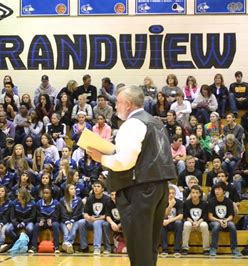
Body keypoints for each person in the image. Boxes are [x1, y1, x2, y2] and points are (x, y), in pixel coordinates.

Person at [87, 85, 176, 266]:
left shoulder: (132, 124)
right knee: (148, 246)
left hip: (139, 189)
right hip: (159, 188)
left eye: (118, 102)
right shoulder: (156, 122)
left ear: (127, 104)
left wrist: (101, 157)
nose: (116, 106)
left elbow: (125, 161)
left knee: (138, 247)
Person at [207, 181, 241, 257]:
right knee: (216, 226)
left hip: (226, 221)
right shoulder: (211, 201)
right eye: (216, 189)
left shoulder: (229, 201)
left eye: (219, 189)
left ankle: (234, 248)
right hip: (215, 221)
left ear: (224, 191)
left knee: (232, 225)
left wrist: (225, 220)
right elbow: (210, 217)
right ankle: (213, 248)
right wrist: (219, 221)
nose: (216, 191)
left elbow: (231, 216)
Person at [78, 181, 112, 255]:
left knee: (97, 223)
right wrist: (86, 216)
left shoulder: (107, 199)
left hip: (102, 221)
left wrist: (95, 219)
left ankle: (97, 248)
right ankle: (84, 247)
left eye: (98, 186)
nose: (96, 188)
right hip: (92, 220)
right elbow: (85, 212)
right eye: (95, 186)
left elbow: (107, 215)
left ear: (103, 189)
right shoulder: (90, 198)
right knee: (81, 222)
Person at [181, 184, 209, 255]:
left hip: (200, 223)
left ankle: (206, 249)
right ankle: (185, 248)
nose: (195, 194)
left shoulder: (204, 203)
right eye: (193, 192)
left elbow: (204, 216)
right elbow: (186, 216)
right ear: (190, 193)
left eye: (197, 193)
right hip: (191, 224)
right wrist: (193, 223)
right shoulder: (186, 203)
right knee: (186, 224)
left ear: (200, 194)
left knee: (204, 225)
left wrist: (197, 223)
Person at [59, 183, 83, 254]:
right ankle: (69, 247)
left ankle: (66, 244)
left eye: (74, 189)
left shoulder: (79, 200)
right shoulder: (62, 200)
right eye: (71, 189)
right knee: (66, 233)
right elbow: (63, 213)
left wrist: (72, 221)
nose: (74, 190)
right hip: (64, 221)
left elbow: (78, 213)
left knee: (73, 232)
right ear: (67, 191)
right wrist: (67, 222)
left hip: (75, 220)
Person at [160, 186, 184, 257]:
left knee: (179, 223)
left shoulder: (179, 202)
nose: (171, 195)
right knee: (161, 224)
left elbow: (180, 216)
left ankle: (177, 250)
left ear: (175, 194)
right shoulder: (163, 202)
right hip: (165, 223)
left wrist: (169, 220)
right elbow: (163, 216)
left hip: (175, 223)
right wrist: (170, 206)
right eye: (169, 193)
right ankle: (164, 250)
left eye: (173, 193)